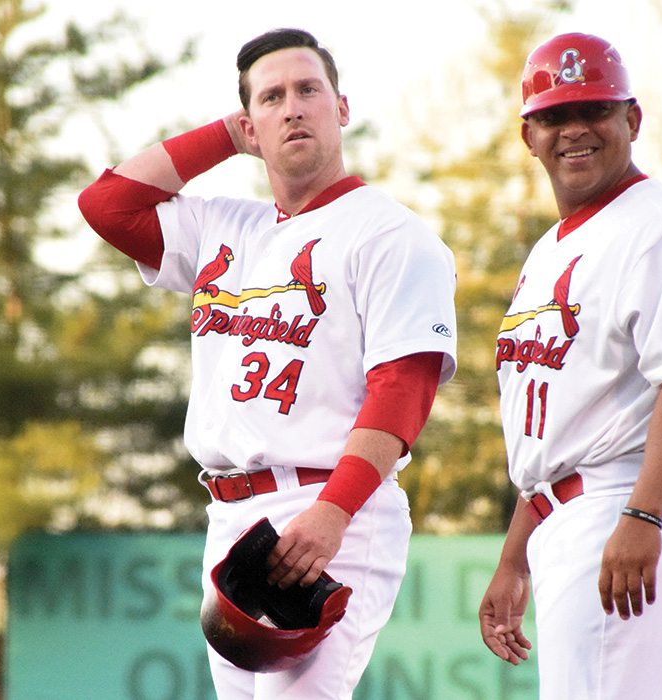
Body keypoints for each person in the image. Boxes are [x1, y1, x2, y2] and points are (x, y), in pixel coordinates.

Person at [77, 28, 457, 699]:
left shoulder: (390, 235)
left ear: (341, 107)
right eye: (273, 97)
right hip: (234, 517)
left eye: (309, 90)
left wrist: (333, 513)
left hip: (330, 502)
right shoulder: (226, 226)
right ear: (253, 123)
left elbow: (403, 388)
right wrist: (227, 134)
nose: (294, 108)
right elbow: (106, 204)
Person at [478, 32, 662, 699]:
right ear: (528, 135)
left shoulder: (661, 226)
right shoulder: (552, 249)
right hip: (568, 513)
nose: (574, 130)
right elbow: (562, 422)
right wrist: (515, 559)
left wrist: (644, 515)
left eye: (593, 110)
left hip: (624, 505)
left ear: (632, 119)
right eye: (554, 116)